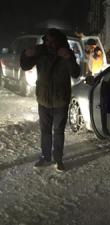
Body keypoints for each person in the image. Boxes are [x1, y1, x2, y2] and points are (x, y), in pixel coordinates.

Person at [20, 28, 80, 171]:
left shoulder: (65, 53)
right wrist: (26, 54)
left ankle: (58, 159)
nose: (50, 44)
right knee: (45, 130)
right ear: (45, 40)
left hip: (60, 100)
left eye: (53, 41)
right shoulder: (41, 52)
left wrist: (69, 58)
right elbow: (25, 65)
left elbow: (76, 73)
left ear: (59, 41)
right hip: (44, 99)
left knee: (58, 131)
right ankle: (45, 157)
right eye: (48, 40)